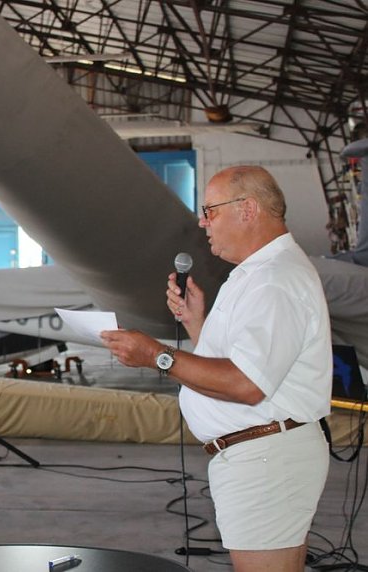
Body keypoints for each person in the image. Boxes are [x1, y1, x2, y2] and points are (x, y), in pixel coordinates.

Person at [101, 166, 331, 572]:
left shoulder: (273, 280)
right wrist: (196, 323)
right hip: (264, 454)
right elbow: (242, 362)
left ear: (247, 209)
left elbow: (246, 385)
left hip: (265, 460)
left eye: (210, 210)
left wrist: (158, 355)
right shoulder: (259, 274)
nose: (202, 221)